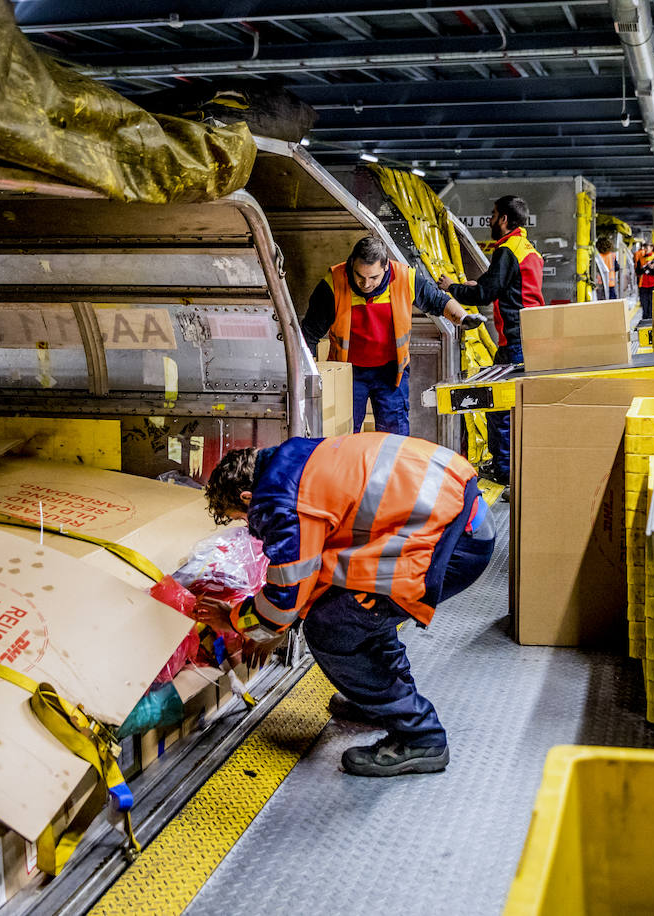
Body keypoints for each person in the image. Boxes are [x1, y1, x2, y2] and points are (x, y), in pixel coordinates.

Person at [199, 433, 496, 777]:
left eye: (242, 517)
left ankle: (419, 735)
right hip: (460, 514)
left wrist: (235, 620)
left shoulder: (279, 500)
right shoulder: (295, 458)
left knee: (331, 629)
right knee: (358, 610)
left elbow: (284, 600)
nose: (250, 527)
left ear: (248, 497)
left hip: (450, 546)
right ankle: (380, 701)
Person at [301, 236, 485, 436]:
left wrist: (463, 317)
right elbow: (309, 334)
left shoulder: (406, 278)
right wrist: (304, 376)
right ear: (352, 263)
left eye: (373, 277)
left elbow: (438, 301)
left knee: (394, 436)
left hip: (391, 373)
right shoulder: (334, 283)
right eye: (360, 276)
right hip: (347, 374)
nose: (366, 284)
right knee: (342, 436)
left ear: (386, 267)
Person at [436, 195, 544, 488]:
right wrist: (479, 285)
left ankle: (505, 469)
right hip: (533, 335)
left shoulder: (507, 249)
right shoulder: (526, 248)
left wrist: (453, 289)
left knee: (500, 404)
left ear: (505, 219)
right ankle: (517, 465)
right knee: (519, 405)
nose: (491, 220)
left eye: (494, 215)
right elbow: (501, 284)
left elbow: (486, 294)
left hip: (515, 340)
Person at [638, 246, 654, 320]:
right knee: (644, 303)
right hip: (643, 284)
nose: (645, 250)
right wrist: (644, 268)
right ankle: (644, 319)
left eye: (647, 248)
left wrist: (651, 268)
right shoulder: (641, 259)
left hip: (653, 284)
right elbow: (637, 271)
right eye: (645, 248)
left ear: (652, 248)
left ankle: (650, 319)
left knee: (651, 303)